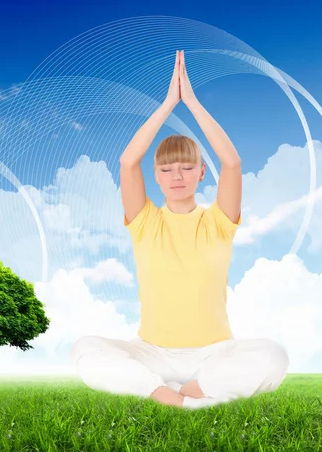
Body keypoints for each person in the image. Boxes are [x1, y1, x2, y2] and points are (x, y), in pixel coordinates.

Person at [70, 50, 289, 409]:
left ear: (202, 173)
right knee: (84, 349)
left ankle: (190, 389)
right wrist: (169, 103)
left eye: (187, 168)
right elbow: (128, 162)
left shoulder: (219, 221)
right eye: (167, 169)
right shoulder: (145, 222)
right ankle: (174, 396)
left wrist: (191, 101)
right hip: (151, 351)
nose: (177, 177)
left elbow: (232, 162)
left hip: (215, 354)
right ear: (155, 176)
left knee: (274, 356)